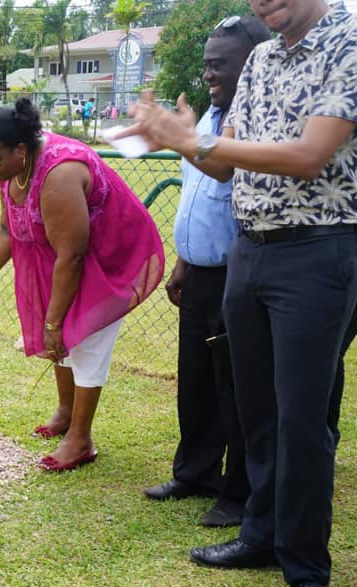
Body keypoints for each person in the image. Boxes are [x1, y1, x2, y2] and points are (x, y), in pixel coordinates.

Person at [121, 2, 357, 587]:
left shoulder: (350, 39)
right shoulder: (260, 59)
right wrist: (178, 137)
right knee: (255, 412)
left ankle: (307, 577)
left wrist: (194, 138)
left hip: (318, 247)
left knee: (302, 421)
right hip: (248, 250)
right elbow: (225, 164)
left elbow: (311, 154)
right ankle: (260, 536)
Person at [0, 97, 164, 472]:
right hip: (62, 259)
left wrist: (52, 325)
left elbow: (73, 256)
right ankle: (66, 413)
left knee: (85, 339)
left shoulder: (60, 173)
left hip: (105, 257)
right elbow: (7, 228)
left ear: (20, 149)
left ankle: (81, 439)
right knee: (62, 338)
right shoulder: (12, 169)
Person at [142, 16, 271, 529]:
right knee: (194, 380)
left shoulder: (253, 129)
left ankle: (238, 493)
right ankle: (195, 473)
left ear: (254, 62)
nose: (209, 74)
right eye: (207, 65)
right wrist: (181, 263)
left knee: (237, 389)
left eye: (221, 64)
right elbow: (199, 201)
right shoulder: (204, 125)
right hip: (197, 274)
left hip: (238, 276)